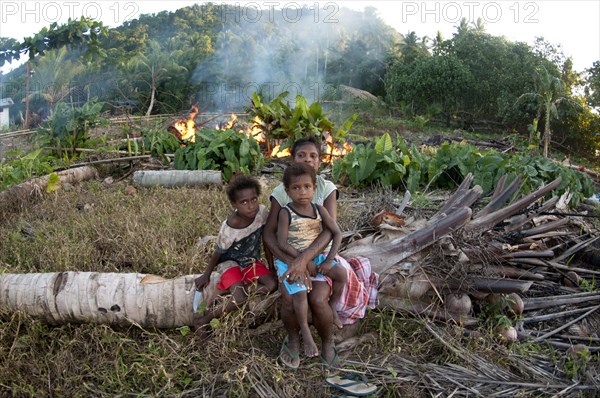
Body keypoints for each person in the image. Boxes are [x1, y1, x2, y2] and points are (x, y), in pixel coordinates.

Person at [264, 136, 345, 370]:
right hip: (289, 256)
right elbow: (270, 235)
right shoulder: (283, 191)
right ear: (292, 159)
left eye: (313, 156)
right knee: (290, 298)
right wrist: (293, 262)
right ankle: (293, 339)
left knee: (319, 299)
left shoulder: (325, 188)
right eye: (301, 155)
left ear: (320, 161)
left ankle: (327, 342)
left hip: (318, 256)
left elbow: (329, 233)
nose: (307, 159)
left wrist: (305, 259)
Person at [275, 163, 348, 357]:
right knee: (298, 294)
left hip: (317, 257)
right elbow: (281, 243)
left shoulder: (319, 210)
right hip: (290, 259)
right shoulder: (285, 212)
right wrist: (303, 262)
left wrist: (328, 260)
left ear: (314, 188)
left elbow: (337, 233)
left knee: (341, 273)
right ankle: (305, 333)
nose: (302, 192)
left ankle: (333, 306)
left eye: (307, 187)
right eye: (296, 188)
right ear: (287, 191)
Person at [193, 175, 278, 338]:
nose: (251, 206)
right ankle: (204, 320)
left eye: (253, 199)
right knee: (239, 299)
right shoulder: (230, 226)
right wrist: (206, 274)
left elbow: (266, 241)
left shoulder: (262, 213)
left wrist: (271, 266)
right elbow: (218, 252)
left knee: (272, 284)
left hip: (250, 261)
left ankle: (237, 291)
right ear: (234, 204)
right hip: (229, 262)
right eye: (244, 202)